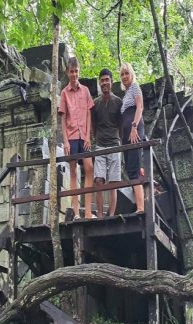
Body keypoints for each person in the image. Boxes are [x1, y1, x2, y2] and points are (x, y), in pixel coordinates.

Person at [59, 57, 95, 220]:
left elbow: (88, 114)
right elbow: (63, 118)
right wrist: (65, 141)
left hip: (84, 136)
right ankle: (76, 212)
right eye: (71, 71)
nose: (74, 74)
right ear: (67, 73)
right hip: (72, 136)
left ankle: (87, 210)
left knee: (89, 168)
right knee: (73, 171)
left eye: (76, 71)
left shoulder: (85, 90)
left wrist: (88, 136)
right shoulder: (64, 93)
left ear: (79, 72)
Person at [92, 68, 123, 217]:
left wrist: (120, 141)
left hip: (115, 144)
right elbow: (93, 124)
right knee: (98, 180)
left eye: (107, 80)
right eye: (102, 80)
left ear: (111, 82)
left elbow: (121, 124)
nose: (105, 83)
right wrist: (96, 138)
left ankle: (111, 215)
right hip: (100, 145)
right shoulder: (95, 103)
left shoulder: (118, 102)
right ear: (99, 83)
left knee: (113, 183)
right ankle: (99, 214)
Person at [119, 62, 145, 214]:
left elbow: (139, 107)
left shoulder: (135, 87)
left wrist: (134, 127)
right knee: (130, 168)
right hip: (127, 134)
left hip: (134, 131)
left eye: (126, 73)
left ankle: (141, 207)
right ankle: (139, 204)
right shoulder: (126, 93)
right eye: (122, 74)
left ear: (131, 74)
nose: (124, 77)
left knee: (134, 168)